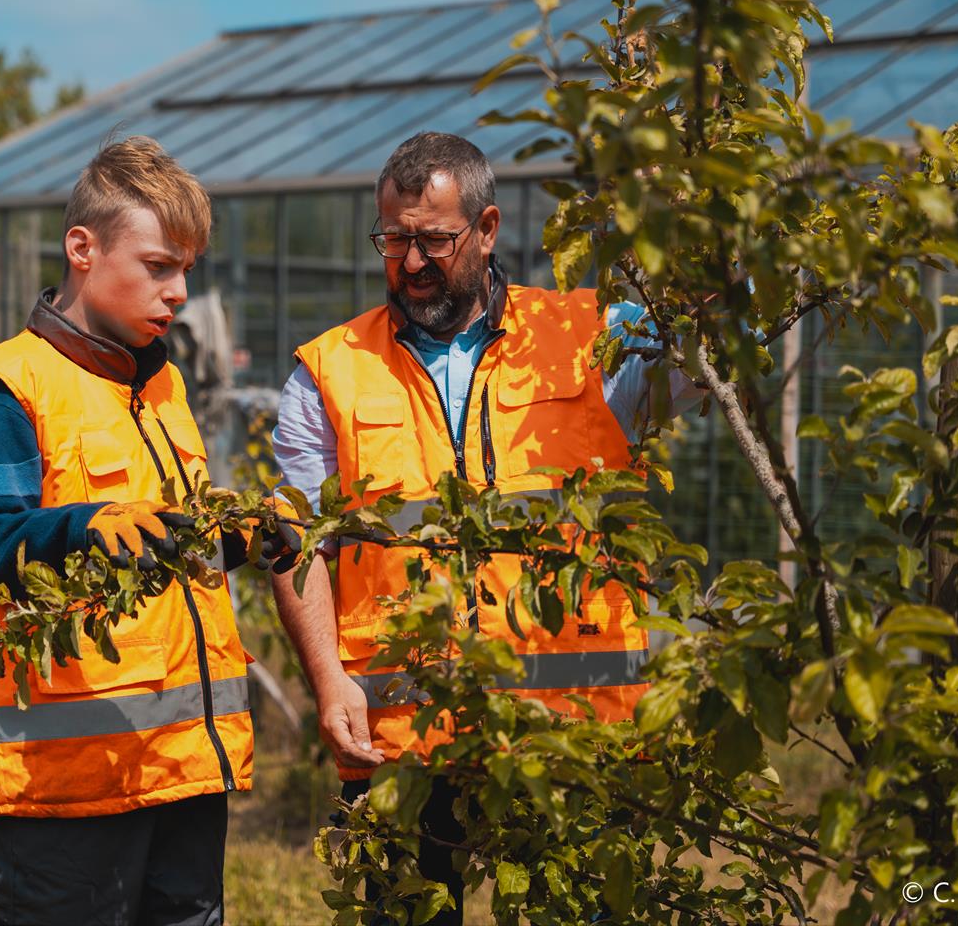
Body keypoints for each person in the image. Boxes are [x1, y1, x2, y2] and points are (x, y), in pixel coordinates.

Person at [270, 132, 704, 923]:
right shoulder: (328, 370)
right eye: (393, 239)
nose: (410, 262)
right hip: (401, 739)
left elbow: (710, 339)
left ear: (488, 227)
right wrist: (331, 683)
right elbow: (298, 546)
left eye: (434, 239)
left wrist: (692, 208)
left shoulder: (593, 340)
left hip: (571, 740)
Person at [0, 136, 290, 926]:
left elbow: (161, 542)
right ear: (81, 249)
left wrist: (242, 535)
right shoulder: (6, 388)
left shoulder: (160, 383)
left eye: (186, 268)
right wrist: (91, 524)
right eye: (159, 265)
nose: (180, 291)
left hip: (183, 767)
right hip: (62, 792)